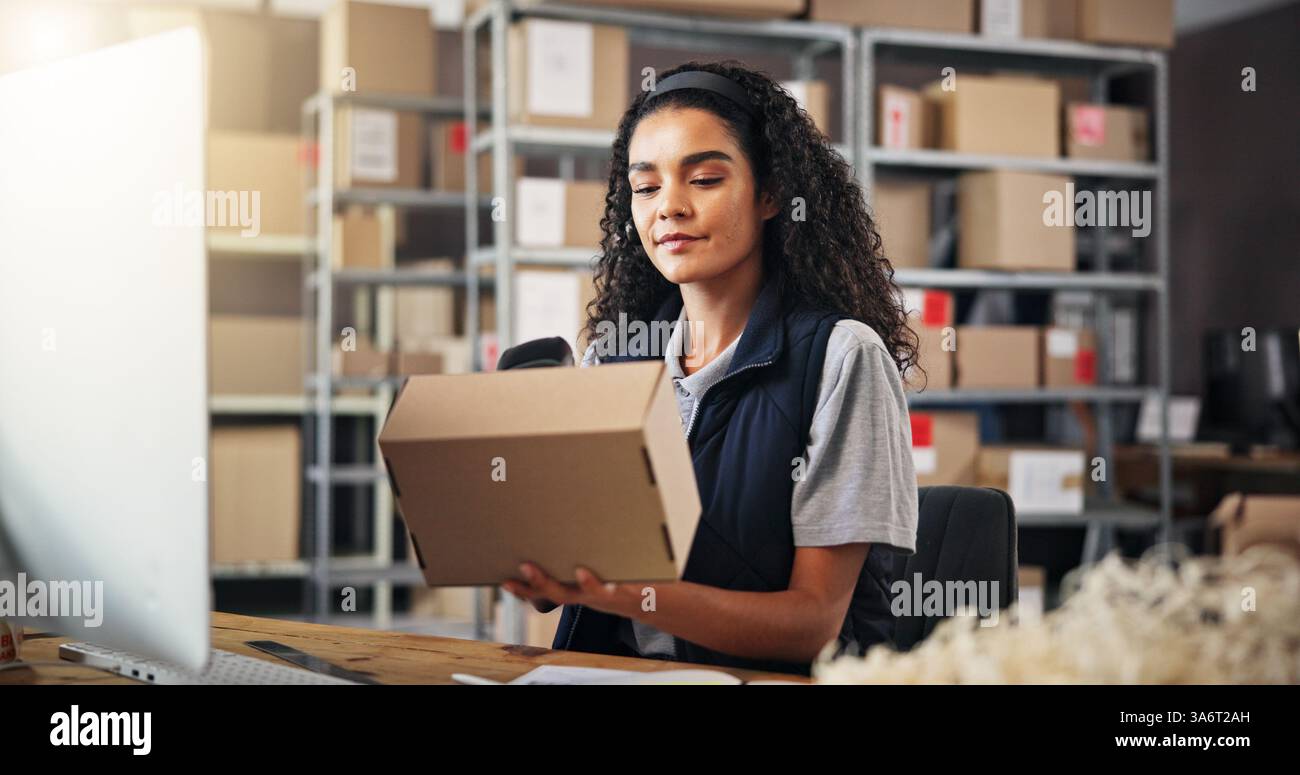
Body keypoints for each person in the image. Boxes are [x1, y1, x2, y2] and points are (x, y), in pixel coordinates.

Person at [502, 61, 920, 676]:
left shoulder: (840, 358)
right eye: (645, 188)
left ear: (771, 193)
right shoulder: (612, 358)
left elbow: (812, 626)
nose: (669, 207)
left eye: (702, 179)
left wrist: (615, 591)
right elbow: (572, 576)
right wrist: (543, 563)